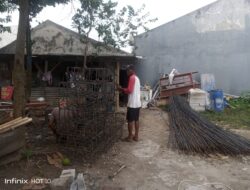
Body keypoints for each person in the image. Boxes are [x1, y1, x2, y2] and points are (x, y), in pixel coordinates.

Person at [118, 65, 141, 142]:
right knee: (136, 119)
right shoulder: (137, 78)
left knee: (130, 120)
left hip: (132, 103)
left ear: (131, 70)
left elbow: (129, 90)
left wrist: (121, 89)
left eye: (127, 70)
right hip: (137, 103)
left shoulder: (131, 78)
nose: (127, 72)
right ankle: (136, 136)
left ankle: (130, 137)